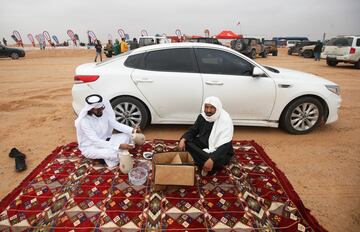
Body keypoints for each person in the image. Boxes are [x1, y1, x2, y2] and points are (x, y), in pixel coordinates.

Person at [75, 94, 140, 168]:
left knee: (126, 136)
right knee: (112, 154)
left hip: (106, 141)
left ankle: (114, 156)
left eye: (101, 108)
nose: (101, 111)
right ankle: (106, 158)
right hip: (91, 147)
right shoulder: (84, 122)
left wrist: (132, 130)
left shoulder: (103, 113)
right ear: (91, 109)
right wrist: (119, 146)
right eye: (98, 109)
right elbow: (96, 141)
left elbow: (116, 124)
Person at [178, 96, 234, 176]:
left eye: (212, 108)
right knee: (186, 142)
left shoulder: (225, 120)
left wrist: (212, 159)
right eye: (206, 107)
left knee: (219, 159)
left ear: (217, 108)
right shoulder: (202, 116)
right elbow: (193, 130)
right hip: (204, 143)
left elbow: (225, 145)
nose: (208, 110)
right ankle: (205, 162)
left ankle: (204, 162)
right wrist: (183, 139)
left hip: (220, 150)